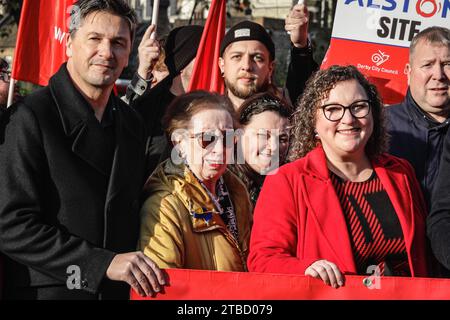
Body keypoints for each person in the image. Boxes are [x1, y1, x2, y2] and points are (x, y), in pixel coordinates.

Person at [0, 0, 165, 300]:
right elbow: (11, 225)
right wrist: (101, 264)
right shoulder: (31, 117)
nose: (106, 52)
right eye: (95, 39)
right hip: (51, 291)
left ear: (129, 52)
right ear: (70, 44)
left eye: (118, 43)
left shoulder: (132, 123)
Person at [248, 65, 430, 288]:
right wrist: (304, 269)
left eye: (359, 107)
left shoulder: (401, 173)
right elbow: (263, 259)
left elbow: (423, 254)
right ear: (313, 122)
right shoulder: (287, 180)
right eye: (333, 109)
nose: (348, 118)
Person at [139, 91, 253, 271]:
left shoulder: (237, 192)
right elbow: (165, 284)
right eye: (207, 139)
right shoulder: (164, 204)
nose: (219, 149)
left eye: (228, 138)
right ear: (179, 143)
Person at [386, 26, 450, 208]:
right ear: (409, 72)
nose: (438, 75)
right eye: (427, 65)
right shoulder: (379, 127)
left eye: (448, 64)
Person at [219, 4, 318, 109]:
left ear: (270, 68)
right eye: (237, 57)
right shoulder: (204, 113)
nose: (246, 66)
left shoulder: (287, 113)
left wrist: (300, 47)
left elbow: (304, 90)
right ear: (222, 65)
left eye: (258, 58)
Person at [230, 92, 292, 205]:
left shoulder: (292, 185)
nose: (274, 147)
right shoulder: (221, 186)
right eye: (263, 135)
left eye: (282, 139)